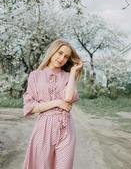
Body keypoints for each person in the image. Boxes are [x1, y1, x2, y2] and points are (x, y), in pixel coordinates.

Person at [23, 38, 83, 169]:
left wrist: (73, 72)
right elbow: (30, 107)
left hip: (66, 128)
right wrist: (56, 102)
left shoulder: (67, 76)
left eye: (66, 56)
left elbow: (68, 97)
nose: (62, 58)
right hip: (44, 127)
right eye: (59, 52)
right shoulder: (35, 75)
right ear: (52, 51)